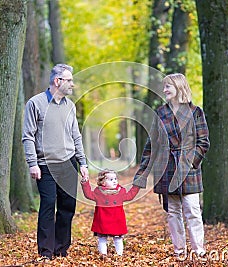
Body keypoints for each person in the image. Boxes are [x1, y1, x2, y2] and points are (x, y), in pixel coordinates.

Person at [133, 73, 210, 258]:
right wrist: (141, 175)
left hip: (189, 169)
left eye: (168, 86)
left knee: (192, 210)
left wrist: (191, 162)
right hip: (166, 168)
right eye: (164, 86)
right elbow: (152, 144)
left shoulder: (195, 112)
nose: (165, 89)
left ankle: (199, 252)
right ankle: (179, 251)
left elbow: (203, 142)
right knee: (173, 212)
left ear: (179, 87)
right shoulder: (160, 113)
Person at [22, 63, 89, 259]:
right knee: (48, 206)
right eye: (69, 80)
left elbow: (76, 136)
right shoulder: (35, 103)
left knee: (68, 208)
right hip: (45, 165)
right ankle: (46, 251)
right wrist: (32, 163)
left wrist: (82, 163)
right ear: (57, 81)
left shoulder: (70, 106)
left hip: (69, 164)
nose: (72, 85)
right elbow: (28, 136)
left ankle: (61, 249)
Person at [80, 169, 140, 256]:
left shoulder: (120, 192)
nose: (115, 181)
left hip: (117, 220)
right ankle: (103, 255)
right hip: (103, 220)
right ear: (103, 182)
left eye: (115, 179)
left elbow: (130, 196)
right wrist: (85, 182)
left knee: (118, 239)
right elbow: (88, 194)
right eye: (111, 179)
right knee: (102, 238)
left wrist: (136, 186)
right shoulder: (99, 192)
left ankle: (119, 255)